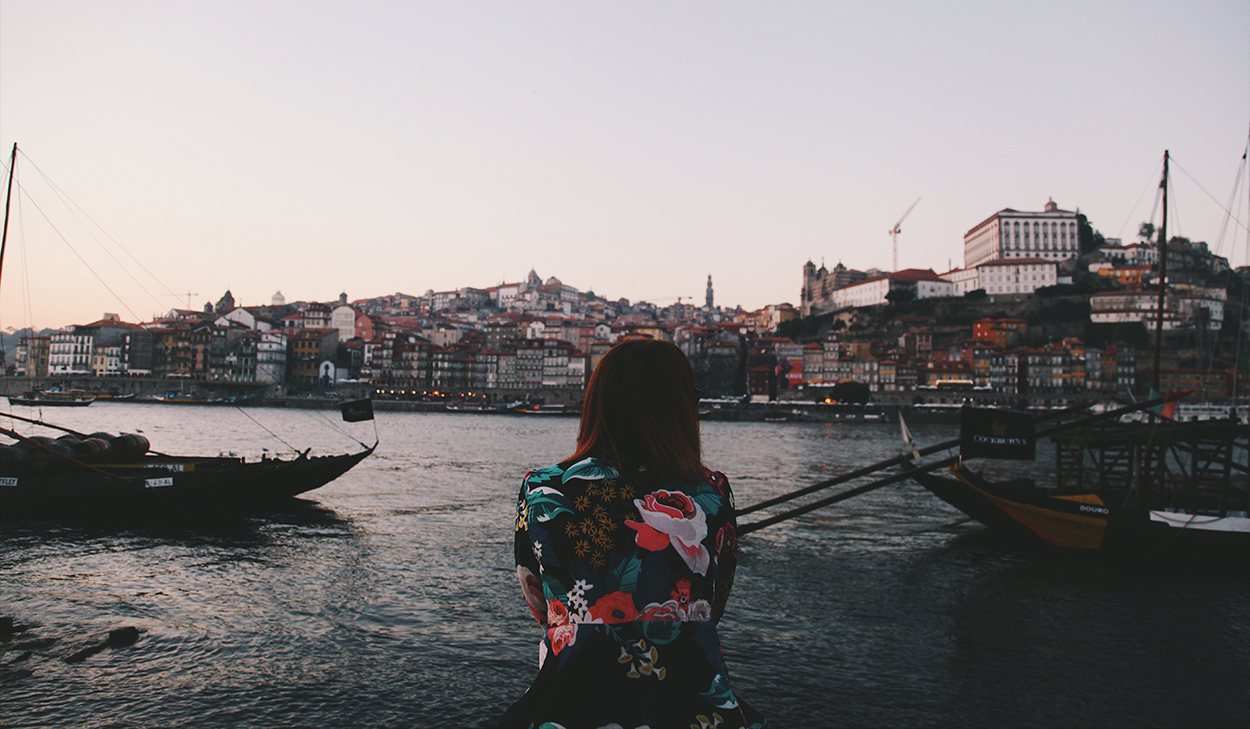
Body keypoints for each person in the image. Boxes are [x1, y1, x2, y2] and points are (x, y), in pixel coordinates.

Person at [500, 339, 766, 729]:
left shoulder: (543, 488)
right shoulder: (712, 491)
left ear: (598, 404)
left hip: (572, 696)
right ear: (678, 408)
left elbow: (541, 603)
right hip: (689, 697)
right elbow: (712, 601)